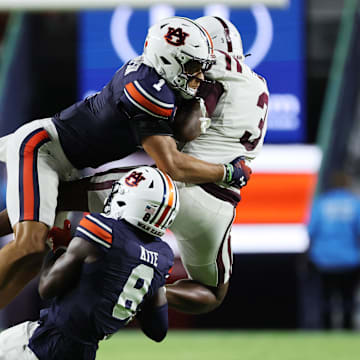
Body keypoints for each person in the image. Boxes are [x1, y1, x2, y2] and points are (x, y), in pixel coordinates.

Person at [0, 16, 251, 309]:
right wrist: (226, 172)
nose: (199, 76)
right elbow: (172, 165)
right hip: (43, 150)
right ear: (168, 60)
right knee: (29, 243)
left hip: (64, 160)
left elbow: (186, 127)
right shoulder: (147, 90)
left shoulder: (160, 79)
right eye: (192, 66)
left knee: (34, 256)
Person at [0, 166, 178, 359]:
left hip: (45, 344)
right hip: (84, 353)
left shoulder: (103, 230)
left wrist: (58, 247)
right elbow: (158, 331)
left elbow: (46, 288)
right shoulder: (162, 256)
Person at [307, 172, 360, 329]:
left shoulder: (321, 203)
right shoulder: (355, 204)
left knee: (326, 299)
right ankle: (348, 328)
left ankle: (327, 329)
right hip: (350, 259)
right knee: (348, 298)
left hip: (324, 259)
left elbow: (310, 231)